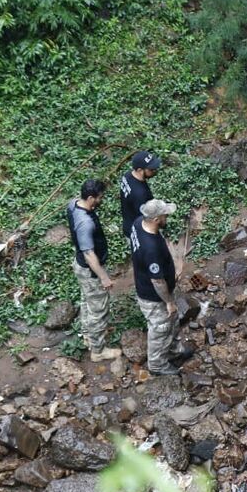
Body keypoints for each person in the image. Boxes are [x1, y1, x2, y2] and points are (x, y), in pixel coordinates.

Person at [129, 199, 192, 375]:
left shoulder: (137, 223)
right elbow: (157, 281)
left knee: (172, 321)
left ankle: (173, 351)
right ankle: (157, 365)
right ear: (156, 219)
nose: (167, 218)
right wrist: (169, 301)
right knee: (160, 328)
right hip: (154, 297)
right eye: (165, 215)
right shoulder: (150, 247)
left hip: (148, 284)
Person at [66, 179, 121, 362]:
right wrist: (104, 277)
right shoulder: (86, 223)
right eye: (99, 197)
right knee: (99, 309)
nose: (101, 200)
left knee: (87, 300)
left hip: (79, 265)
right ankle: (98, 351)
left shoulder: (73, 204)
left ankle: (87, 335)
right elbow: (89, 255)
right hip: (90, 270)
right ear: (90, 198)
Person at [120, 150, 161, 239]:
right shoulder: (140, 194)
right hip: (137, 233)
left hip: (128, 222)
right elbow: (146, 220)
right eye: (151, 169)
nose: (155, 170)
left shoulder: (127, 175)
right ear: (140, 170)